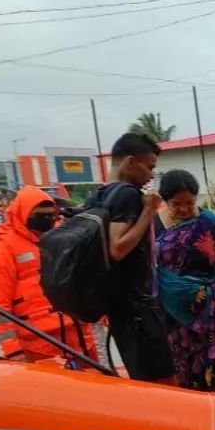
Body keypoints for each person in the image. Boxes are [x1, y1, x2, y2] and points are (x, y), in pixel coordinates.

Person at [92, 133, 176, 383]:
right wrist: (149, 212)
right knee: (164, 380)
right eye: (149, 167)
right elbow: (117, 247)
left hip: (119, 305)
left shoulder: (99, 194)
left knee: (142, 376)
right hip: (138, 306)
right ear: (130, 162)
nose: (151, 175)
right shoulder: (126, 195)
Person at [0, 186, 96, 365]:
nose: (47, 220)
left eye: (51, 215)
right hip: (39, 346)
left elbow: (82, 279)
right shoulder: (1, 247)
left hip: (80, 337)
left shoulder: (61, 237)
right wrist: (13, 352)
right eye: (41, 215)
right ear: (24, 213)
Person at [154, 170, 215, 392]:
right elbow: (151, 268)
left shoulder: (210, 222)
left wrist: (199, 287)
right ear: (165, 201)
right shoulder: (152, 226)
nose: (184, 209)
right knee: (186, 360)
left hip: (213, 304)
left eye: (190, 202)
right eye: (176, 204)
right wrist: (180, 291)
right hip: (175, 310)